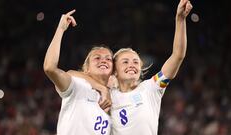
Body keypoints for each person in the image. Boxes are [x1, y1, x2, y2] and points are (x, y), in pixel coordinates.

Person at [72, 0, 193, 134]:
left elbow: (178, 55)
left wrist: (180, 19)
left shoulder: (151, 88)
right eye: (125, 62)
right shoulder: (108, 95)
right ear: (115, 71)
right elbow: (70, 74)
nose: (131, 65)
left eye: (135, 62)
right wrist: (101, 87)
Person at [43, 9, 113, 135]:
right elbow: (50, 68)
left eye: (108, 59)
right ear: (87, 69)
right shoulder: (78, 86)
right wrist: (60, 29)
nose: (103, 60)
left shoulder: (116, 99)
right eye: (97, 58)